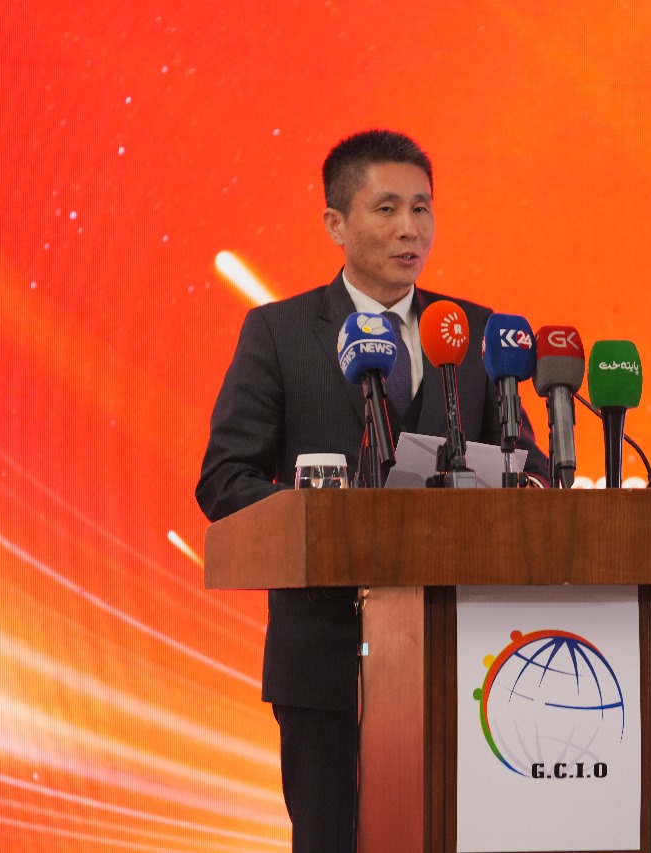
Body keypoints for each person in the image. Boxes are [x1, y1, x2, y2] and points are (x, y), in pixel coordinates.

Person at [195, 129, 550, 852]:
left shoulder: (475, 332)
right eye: (387, 208)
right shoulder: (280, 333)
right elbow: (225, 480)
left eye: (422, 207)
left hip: (462, 659)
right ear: (336, 223)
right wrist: (323, 518)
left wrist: (523, 484)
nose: (410, 228)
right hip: (324, 656)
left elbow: (531, 471)